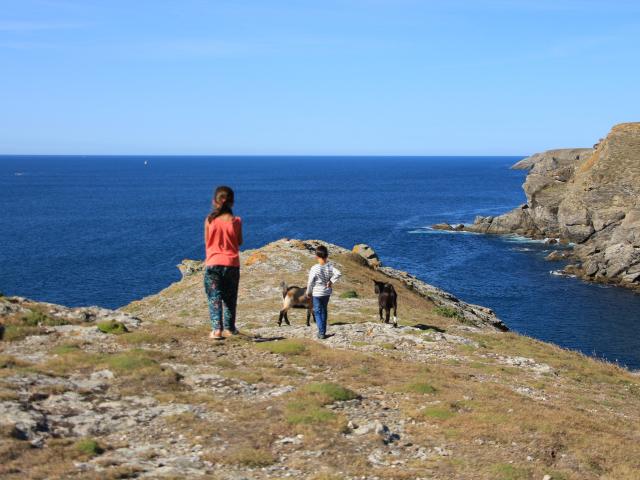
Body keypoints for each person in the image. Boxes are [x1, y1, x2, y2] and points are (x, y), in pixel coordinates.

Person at [203, 186, 242, 339]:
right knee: (230, 298)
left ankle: (216, 329)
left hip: (213, 263)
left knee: (214, 297)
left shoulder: (210, 220)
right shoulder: (236, 221)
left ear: (214, 202)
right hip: (232, 263)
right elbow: (239, 241)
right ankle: (230, 328)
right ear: (232, 203)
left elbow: (207, 242)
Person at [306, 245, 341, 339]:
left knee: (317, 312)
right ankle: (323, 331)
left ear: (317, 256)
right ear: (326, 255)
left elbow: (310, 282)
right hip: (326, 293)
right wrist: (331, 281)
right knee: (324, 310)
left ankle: (321, 333)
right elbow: (338, 273)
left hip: (317, 293)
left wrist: (308, 293)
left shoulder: (314, 268)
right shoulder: (330, 266)